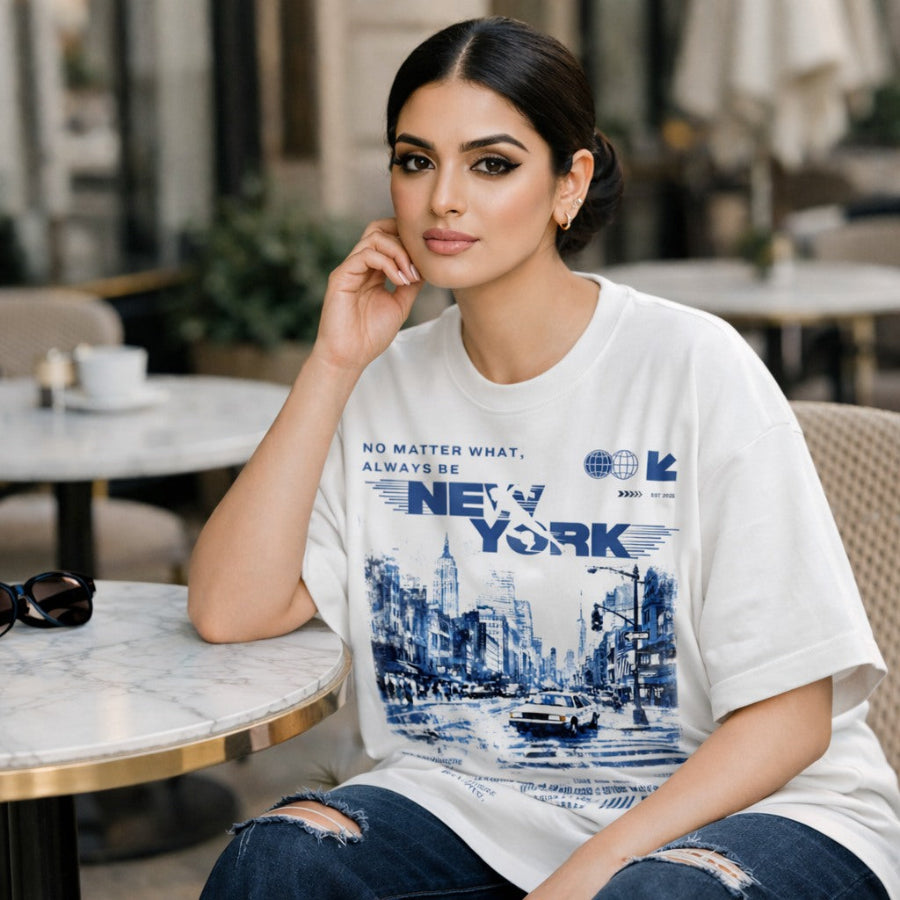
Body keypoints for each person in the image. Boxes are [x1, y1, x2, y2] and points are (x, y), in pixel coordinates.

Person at [190, 16, 900, 900]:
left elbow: (792, 718)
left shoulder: (692, 366)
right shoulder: (381, 383)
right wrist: (334, 363)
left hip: (761, 813)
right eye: (416, 161)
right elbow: (228, 608)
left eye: (491, 164)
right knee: (274, 864)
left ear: (571, 182)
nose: (443, 198)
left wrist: (581, 878)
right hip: (472, 806)